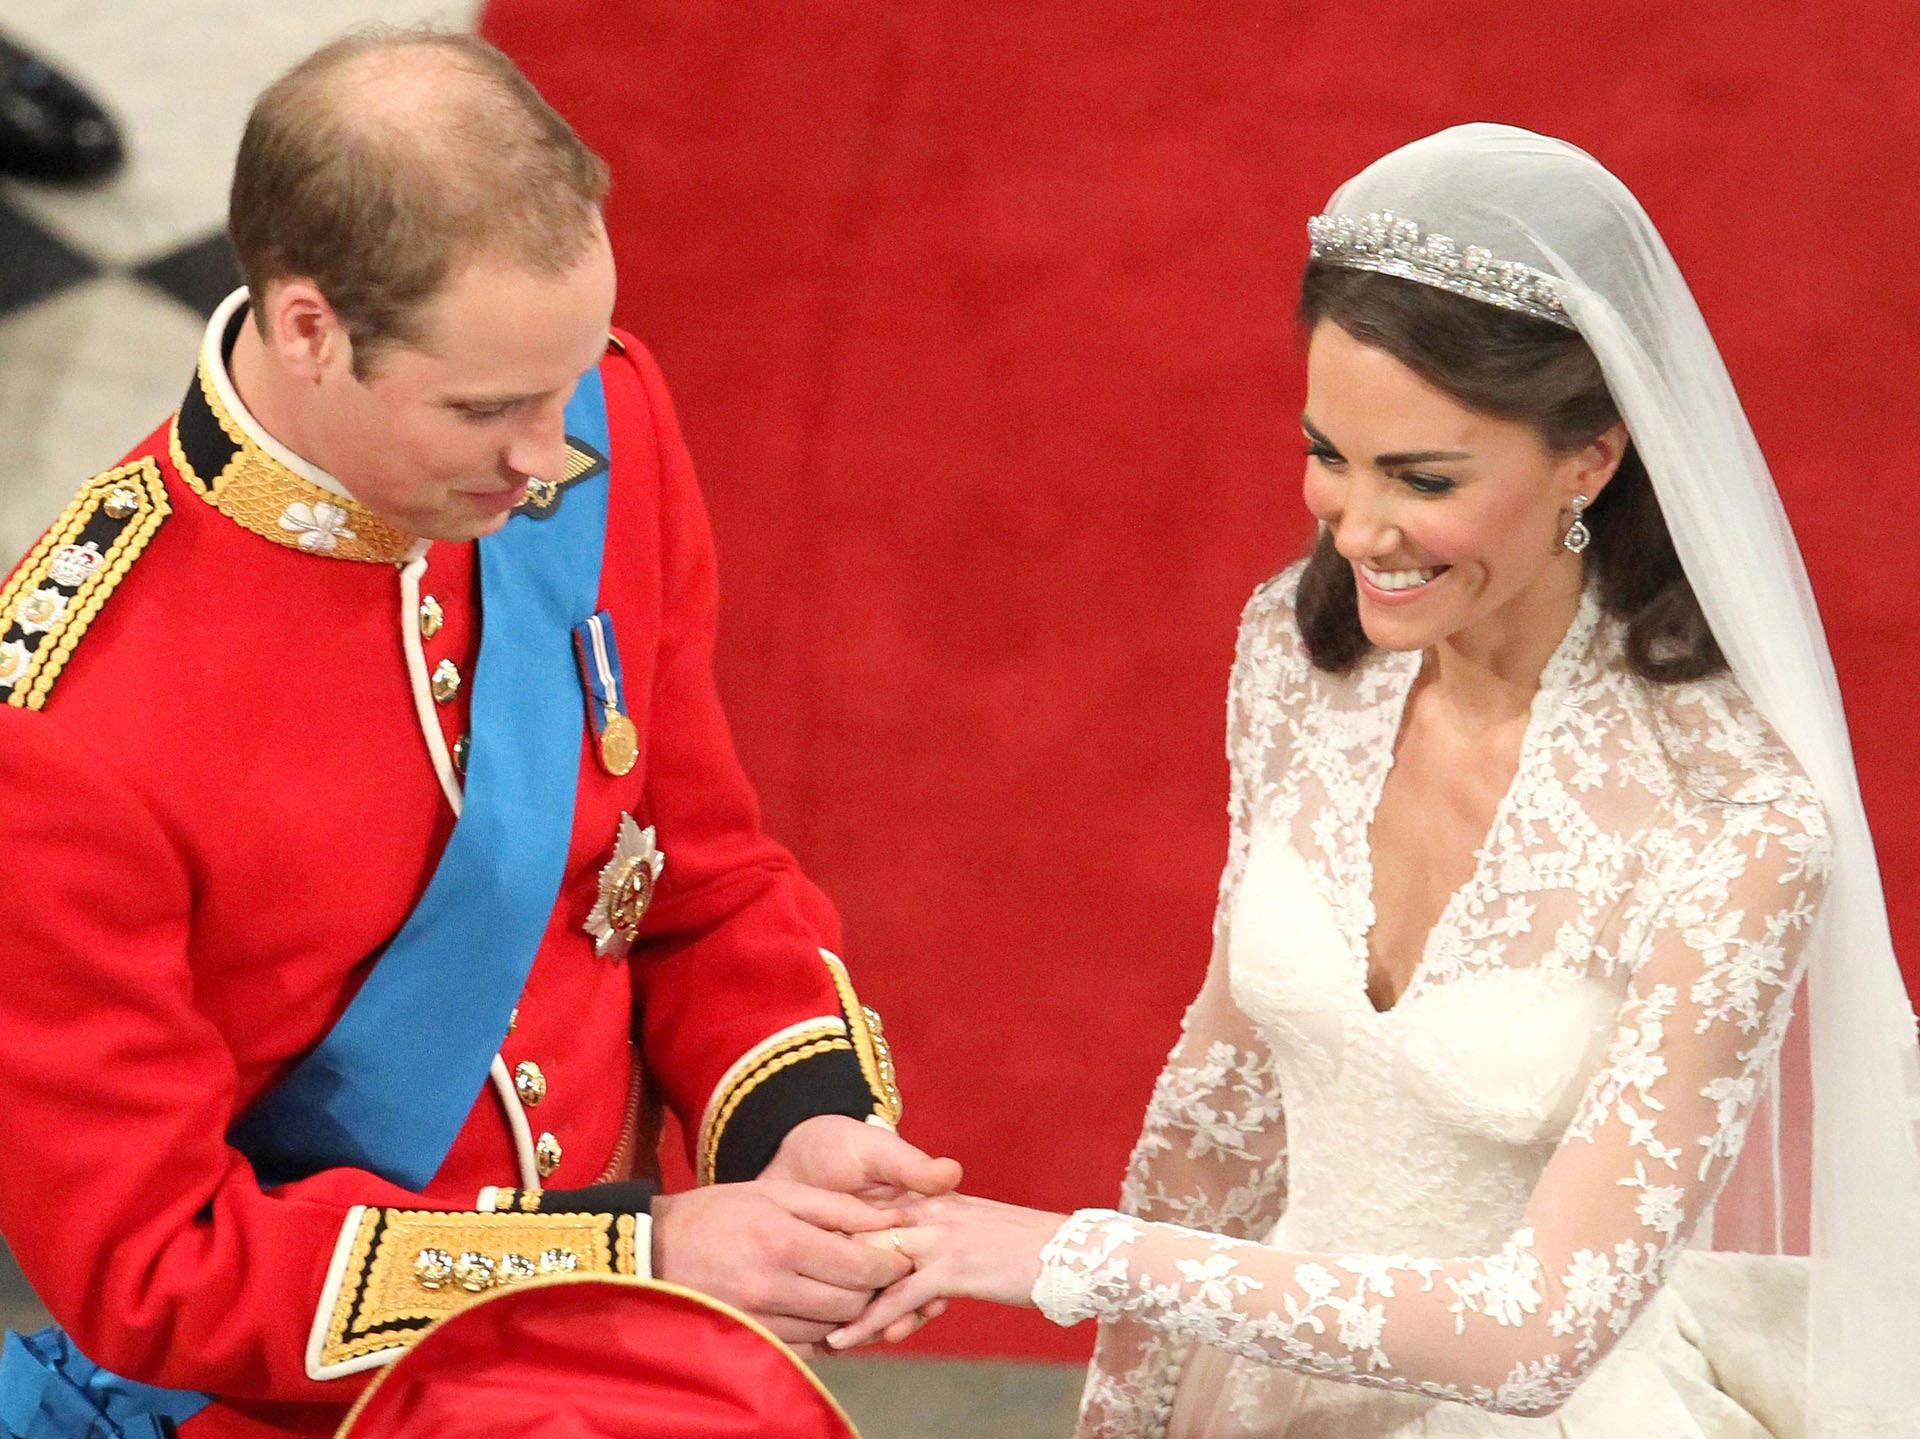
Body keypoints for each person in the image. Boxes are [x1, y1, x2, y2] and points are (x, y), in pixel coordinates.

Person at [828, 125, 1920, 1436]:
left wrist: (1064, 1256)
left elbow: (1537, 1339)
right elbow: (1224, 1099)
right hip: (1264, 1388)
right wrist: (1130, 1406)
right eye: (1329, 454)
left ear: (1593, 457)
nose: (1355, 530)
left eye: (1423, 478)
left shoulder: (1738, 825)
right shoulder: (1296, 652)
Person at [0, 26, 957, 1439]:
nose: (545, 457)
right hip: (314, 1397)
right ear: (309, 323)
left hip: (625, 1363)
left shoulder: (596, 417)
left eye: (559, 387)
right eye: (487, 408)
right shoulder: (65, 728)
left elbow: (695, 872)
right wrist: (635, 1249)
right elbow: (160, 1270)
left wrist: (799, 1126)